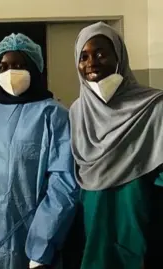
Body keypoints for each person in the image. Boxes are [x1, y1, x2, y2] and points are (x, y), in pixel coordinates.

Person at [0, 33, 79, 269]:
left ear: (34, 68)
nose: (10, 73)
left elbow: (63, 185)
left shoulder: (53, 115)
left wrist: (42, 246)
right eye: (3, 67)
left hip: (29, 245)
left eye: (18, 65)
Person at [70, 21, 163, 269]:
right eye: (84, 56)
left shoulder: (154, 107)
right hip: (93, 228)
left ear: (120, 56)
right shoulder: (77, 113)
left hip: (140, 222)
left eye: (101, 53)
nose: (92, 63)